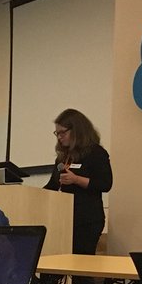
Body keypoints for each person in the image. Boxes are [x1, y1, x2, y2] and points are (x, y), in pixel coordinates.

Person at [44, 109, 113, 256]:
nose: (59, 137)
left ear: (77, 130)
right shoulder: (63, 157)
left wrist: (76, 179)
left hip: (87, 220)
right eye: (57, 133)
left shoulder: (96, 153)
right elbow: (52, 186)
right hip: (64, 219)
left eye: (63, 132)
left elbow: (105, 184)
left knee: (81, 269)